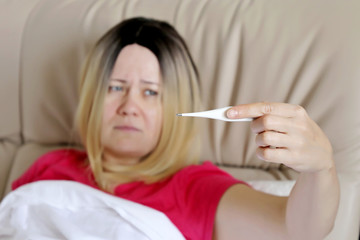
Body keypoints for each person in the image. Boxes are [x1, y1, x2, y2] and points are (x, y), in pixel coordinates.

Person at [12, 17, 339, 240]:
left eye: (150, 92)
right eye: (115, 87)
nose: (129, 106)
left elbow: (295, 228)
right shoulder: (49, 167)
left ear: (175, 106)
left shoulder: (195, 189)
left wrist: (320, 169)